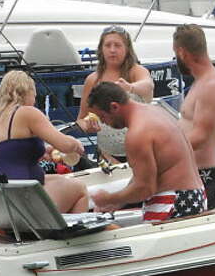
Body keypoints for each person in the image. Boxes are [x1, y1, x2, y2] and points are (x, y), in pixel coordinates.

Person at [87, 82, 207, 220]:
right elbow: (147, 174)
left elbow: (144, 188)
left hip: (172, 201)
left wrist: (109, 198)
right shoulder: (157, 111)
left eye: (102, 117)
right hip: (195, 196)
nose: (103, 123)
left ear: (114, 107)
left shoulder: (138, 134)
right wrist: (118, 202)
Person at [0, 71, 90, 213]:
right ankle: (71, 232)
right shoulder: (28, 112)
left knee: (57, 179)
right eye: (34, 94)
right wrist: (76, 144)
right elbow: (65, 145)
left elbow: (9, 153)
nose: (35, 99)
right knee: (80, 188)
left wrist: (46, 150)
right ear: (28, 91)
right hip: (20, 201)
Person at [174, 24, 215, 209]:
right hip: (191, 176)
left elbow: (200, 136)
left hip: (206, 177)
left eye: (175, 54)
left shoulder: (212, 86)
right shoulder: (202, 82)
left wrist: (162, 150)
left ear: (182, 52)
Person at [75, 26, 155, 162]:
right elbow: (81, 119)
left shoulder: (136, 71)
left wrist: (130, 87)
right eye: (108, 45)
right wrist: (88, 125)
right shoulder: (93, 79)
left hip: (141, 153)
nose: (112, 50)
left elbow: (148, 85)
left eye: (117, 45)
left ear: (127, 49)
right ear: (101, 49)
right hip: (107, 156)